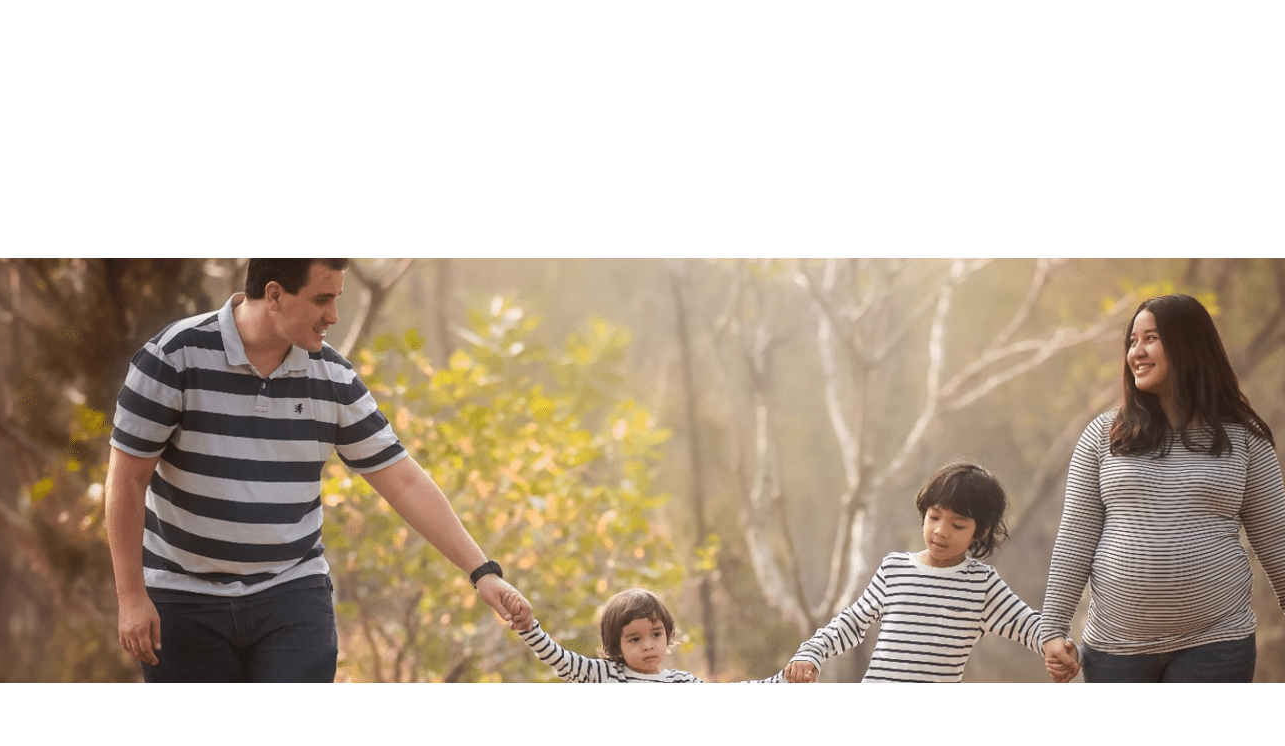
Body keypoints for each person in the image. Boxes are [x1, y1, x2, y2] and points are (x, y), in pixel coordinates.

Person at [105, 258, 532, 681]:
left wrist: (482, 573)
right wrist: (130, 597)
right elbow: (126, 480)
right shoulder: (173, 358)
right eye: (321, 300)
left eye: (336, 299)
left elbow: (403, 480)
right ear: (274, 295)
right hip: (184, 597)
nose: (333, 316)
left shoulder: (332, 378)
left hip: (290, 595)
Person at [1038, 294, 1285, 683]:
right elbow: (1075, 536)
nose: (1136, 352)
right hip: (1116, 647)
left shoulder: (1245, 440)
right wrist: (1052, 629)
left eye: (1150, 339)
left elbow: (1275, 538)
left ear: (1188, 345)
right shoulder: (1102, 436)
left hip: (1216, 642)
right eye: (1131, 341)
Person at [782, 462, 1074, 683]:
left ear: (980, 531)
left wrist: (1059, 648)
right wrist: (812, 652)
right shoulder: (894, 569)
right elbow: (850, 623)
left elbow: (1032, 627)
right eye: (934, 517)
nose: (940, 531)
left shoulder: (982, 585)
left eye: (958, 525)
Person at [516, 588, 784, 682]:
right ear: (616, 645)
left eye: (656, 634)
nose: (648, 646)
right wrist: (528, 627)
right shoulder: (604, 674)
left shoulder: (681, 682)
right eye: (635, 639)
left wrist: (782, 680)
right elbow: (558, 658)